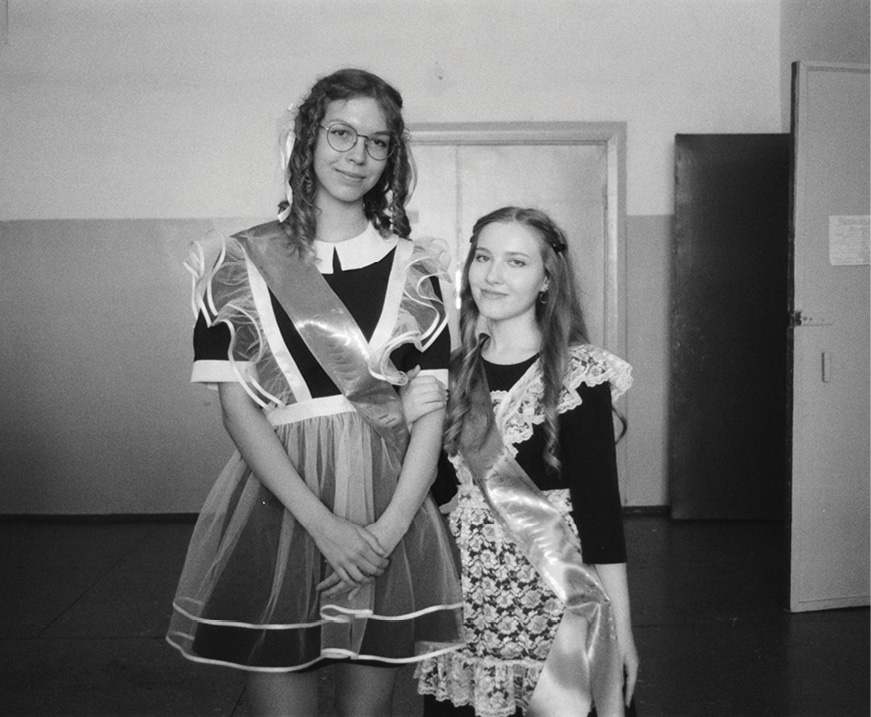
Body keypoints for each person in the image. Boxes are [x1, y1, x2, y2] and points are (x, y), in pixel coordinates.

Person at [166, 68, 464, 717]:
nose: (357, 154)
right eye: (341, 133)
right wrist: (323, 524)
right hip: (282, 504)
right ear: (307, 138)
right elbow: (237, 406)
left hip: (391, 510)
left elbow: (428, 416)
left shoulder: (420, 269)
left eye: (377, 141)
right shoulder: (236, 261)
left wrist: (385, 532)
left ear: (393, 155)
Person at [408, 207, 639, 716]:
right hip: (469, 602)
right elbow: (444, 495)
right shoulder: (450, 373)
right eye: (483, 257)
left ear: (545, 279)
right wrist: (411, 423)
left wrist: (621, 630)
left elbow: (602, 516)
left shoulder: (581, 374)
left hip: (558, 607)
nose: (492, 275)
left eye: (515, 262)